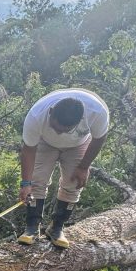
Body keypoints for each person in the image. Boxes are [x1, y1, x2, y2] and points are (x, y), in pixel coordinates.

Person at [17, 88, 110, 249]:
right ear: (51, 112)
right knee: (36, 180)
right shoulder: (36, 115)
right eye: (55, 127)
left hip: (78, 144)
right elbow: (29, 149)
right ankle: (32, 228)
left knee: (74, 183)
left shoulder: (97, 112)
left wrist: (83, 167)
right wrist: (26, 183)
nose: (59, 133)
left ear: (80, 120)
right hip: (45, 142)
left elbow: (99, 139)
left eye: (64, 130)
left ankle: (56, 227)